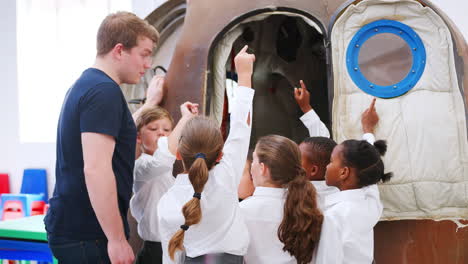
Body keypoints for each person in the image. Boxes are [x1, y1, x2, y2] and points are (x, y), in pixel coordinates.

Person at [45, 11, 159, 264]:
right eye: (144, 54)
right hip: (89, 235)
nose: (148, 63)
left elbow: (116, 133)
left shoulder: (89, 85)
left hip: (79, 229)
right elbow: (96, 170)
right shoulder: (103, 92)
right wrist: (117, 239)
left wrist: (150, 103)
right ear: (119, 50)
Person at [157, 45, 255, 263]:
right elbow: (241, 125)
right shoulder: (226, 176)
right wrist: (245, 75)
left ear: (179, 154)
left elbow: (169, 257)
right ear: (220, 155)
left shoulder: (168, 202)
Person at [131, 100, 198, 264]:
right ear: (139, 137)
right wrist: (185, 119)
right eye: (153, 129)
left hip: (175, 247)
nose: (161, 133)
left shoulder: (169, 172)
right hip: (155, 250)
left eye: (167, 130)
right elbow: (163, 159)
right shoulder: (141, 166)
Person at [240, 135, 323, 264]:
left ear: (263, 168)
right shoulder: (310, 206)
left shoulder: (242, 210)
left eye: (254, 160)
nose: (251, 167)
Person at [314, 133, 392, 263]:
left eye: (331, 161)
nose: (326, 166)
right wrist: (368, 133)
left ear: (344, 172)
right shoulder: (371, 203)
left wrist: (368, 133)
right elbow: (370, 174)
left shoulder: (334, 217)